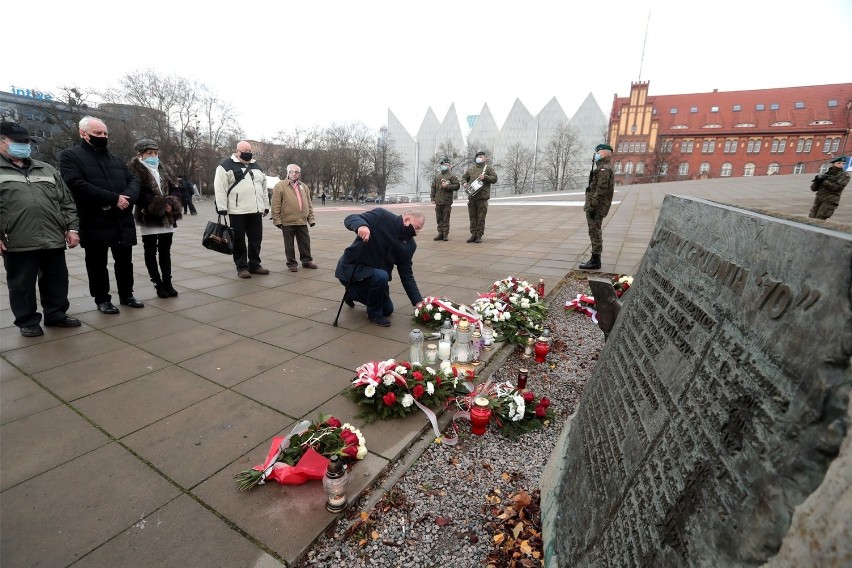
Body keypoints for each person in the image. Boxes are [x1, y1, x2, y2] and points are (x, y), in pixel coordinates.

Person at [0, 121, 82, 337]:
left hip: (52, 236)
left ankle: (56, 314)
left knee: (56, 280)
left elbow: (66, 201)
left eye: (27, 141)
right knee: (21, 285)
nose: (25, 145)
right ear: (1, 142)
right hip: (17, 239)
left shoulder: (46, 168)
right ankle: (27, 320)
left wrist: (72, 228)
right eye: (18, 142)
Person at [59, 116, 143, 313]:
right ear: (83, 134)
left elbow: (134, 181)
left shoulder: (115, 159)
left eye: (105, 133)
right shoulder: (70, 156)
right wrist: (113, 198)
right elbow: (76, 183)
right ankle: (102, 299)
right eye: (98, 133)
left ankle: (126, 294)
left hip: (121, 218)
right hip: (94, 219)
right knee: (97, 263)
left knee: (124, 261)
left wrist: (126, 199)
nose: (103, 136)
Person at [335, 208, 425, 327]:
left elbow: (406, 274)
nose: (417, 233)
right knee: (382, 276)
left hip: (375, 278)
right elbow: (350, 218)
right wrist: (361, 226)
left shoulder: (409, 245)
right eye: (416, 227)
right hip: (353, 269)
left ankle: (351, 294)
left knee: (388, 309)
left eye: (419, 229)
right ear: (407, 220)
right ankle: (373, 314)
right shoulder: (382, 216)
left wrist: (418, 301)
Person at [128, 139, 183, 298]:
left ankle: (167, 281)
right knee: (150, 251)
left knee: (165, 250)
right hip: (149, 215)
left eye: (155, 153)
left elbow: (175, 189)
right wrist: (158, 204)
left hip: (168, 215)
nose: (153, 156)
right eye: (149, 153)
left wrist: (172, 203)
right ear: (140, 154)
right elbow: (138, 193)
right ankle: (157, 283)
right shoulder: (134, 169)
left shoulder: (164, 168)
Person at [213, 141, 270, 278]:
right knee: (239, 240)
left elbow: (263, 189)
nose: (248, 152)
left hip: (255, 210)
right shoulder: (225, 166)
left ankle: (255, 264)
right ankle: (241, 266)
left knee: (256, 240)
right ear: (237, 151)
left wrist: (265, 206)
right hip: (237, 211)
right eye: (245, 150)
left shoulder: (257, 167)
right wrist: (221, 207)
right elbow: (220, 188)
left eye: (250, 150)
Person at [271, 163, 317, 272]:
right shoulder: (280, 185)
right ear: (288, 172)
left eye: (297, 172)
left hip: (302, 220)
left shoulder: (304, 186)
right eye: (292, 171)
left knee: (305, 243)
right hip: (287, 220)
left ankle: (306, 261)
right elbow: (275, 204)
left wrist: (311, 218)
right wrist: (276, 219)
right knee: (289, 245)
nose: (295, 174)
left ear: (299, 174)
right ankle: (291, 263)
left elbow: (308, 203)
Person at [579, 143, 616, 270]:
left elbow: (601, 189)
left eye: (598, 153)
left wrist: (593, 205)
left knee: (594, 231)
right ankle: (595, 259)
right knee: (594, 231)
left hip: (596, 207)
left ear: (604, 153)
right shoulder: (602, 167)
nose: (596, 155)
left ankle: (595, 260)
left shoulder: (604, 169)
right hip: (596, 205)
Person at [462, 150, 498, 243]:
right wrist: (464, 182)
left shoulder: (488, 169)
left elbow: (494, 179)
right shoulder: (471, 169)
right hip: (472, 197)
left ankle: (479, 235)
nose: (479, 158)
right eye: (478, 157)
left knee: (481, 218)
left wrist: (485, 177)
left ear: (485, 159)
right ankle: (473, 234)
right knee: (472, 217)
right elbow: (464, 177)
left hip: (482, 198)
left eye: (481, 157)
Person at [809, 156, 849, 220]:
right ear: (833, 164)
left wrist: (824, 181)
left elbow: (837, 188)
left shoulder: (844, 175)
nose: (841, 165)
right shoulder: (827, 174)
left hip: (829, 202)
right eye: (838, 163)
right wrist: (817, 181)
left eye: (843, 163)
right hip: (818, 201)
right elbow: (813, 189)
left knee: (819, 220)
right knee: (810, 219)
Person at [430, 157, 460, 241]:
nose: (445, 166)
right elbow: (433, 188)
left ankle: (445, 234)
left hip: (447, 201)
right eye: (444, 165)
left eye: (447, 165)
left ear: (450, 166)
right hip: (438, 201)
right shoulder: (437, 177)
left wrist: (447, 186)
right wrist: (432, 198)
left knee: (446, 218)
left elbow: (457, 186)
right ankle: (440, 233)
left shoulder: (452, 176)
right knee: (439, 218)